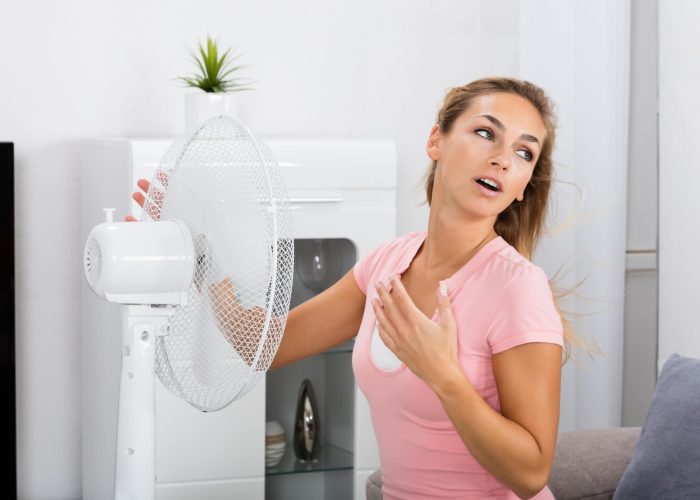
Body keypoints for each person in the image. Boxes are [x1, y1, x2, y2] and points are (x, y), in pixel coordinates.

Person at [130, 77, 577, 499]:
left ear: (522, 188)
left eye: (524, 153)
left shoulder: (517, 288)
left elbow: (530, 473)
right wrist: (200, 253)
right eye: (486, 133)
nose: (503, 157)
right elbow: (264, 345)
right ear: (435, 140)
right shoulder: (387, 264)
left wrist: (443, 375)